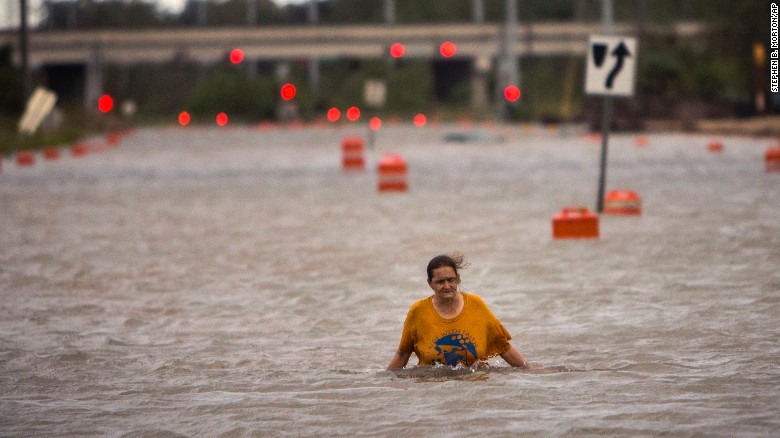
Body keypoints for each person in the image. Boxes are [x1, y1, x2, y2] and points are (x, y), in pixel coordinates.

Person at [387, 254, 531, 370]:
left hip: (475, 389)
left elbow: (503, 347)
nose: (447, 286)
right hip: (432, 392)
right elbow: (403, 353)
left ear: (458, 279)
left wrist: (529, 369)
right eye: (440, 282)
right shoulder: (418, 311)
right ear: (430, 283)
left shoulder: (476, 304)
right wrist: (386, 383)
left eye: (451, 280)